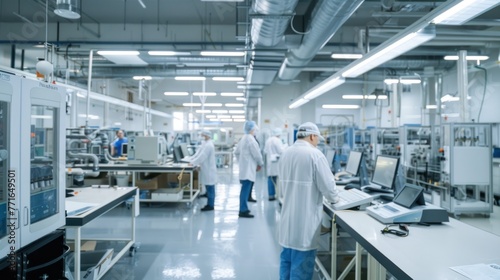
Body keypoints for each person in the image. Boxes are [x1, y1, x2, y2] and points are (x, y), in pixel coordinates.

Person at [278, 122, 339, 279]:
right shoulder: (315, 155)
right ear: (312, 136)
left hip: (287, 220)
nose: (317, 142)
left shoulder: (286, 153)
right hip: (304, 223)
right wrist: (335, 199)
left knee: (287, 261)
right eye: (317, 138)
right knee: (301, 267)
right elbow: (329, 187)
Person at [234, 120, 263, 218]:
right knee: (245, 189)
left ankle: (244, 208)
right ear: (252, 129)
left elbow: (236, 152)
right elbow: (257, 154)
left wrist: (242, 161)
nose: (255, 130)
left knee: (245, 189)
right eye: (254, 129)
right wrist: (260, 163)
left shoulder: (243, 138)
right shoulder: (250, 139)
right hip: (248, 168)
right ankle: (243, 210)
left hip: (244, 168)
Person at [189, 130, 217, 211]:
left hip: (209, 169)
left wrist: (193, 163)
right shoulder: (205, 143)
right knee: (208, 185)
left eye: (203, 135)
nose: (202, 136)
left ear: (207, 135)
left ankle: (210, 205)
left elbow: (202, 156)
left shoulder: (209, 145)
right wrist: (191, 159)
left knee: (210, 186)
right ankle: (207, 196)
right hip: (206, 168)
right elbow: (198, 153)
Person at [264, 128, 284, 201]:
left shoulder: (268, 140)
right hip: (276, 162)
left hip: (270, 162)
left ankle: (271, 195)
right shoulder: (277, 140)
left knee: (270, 178)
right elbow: (281, 151)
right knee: (277, 179)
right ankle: (279, 195)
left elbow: (265, 151)